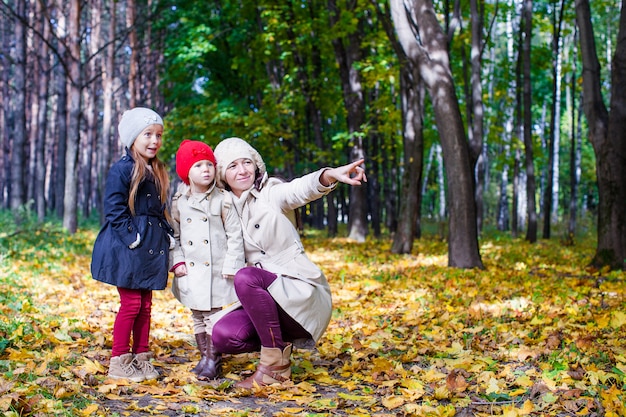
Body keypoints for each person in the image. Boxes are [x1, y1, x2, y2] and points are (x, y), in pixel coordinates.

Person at [210, 137, 366, 388]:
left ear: (256, 164)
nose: (242, 170)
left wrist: (328, 175)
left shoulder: (270, 192)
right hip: (263, 301)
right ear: (222, 175)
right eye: (233, 166)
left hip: (296, 290)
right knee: (224, 336)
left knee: (247, 276)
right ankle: (278, 346)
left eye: (247, 162)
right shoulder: (223, 208)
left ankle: (274, 368)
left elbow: (298, 189)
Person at [91, 107, 174, 383]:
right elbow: (114, 208)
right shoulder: (123, 169)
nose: (154, 141)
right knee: (131, 303)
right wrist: (132, 237)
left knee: (146, 305)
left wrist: (167, 232)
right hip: (127, 248)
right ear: (133, 138)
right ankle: (119, 359)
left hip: (149, 246)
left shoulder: (157, 170)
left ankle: (141, 355)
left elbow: (158, 210)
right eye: (147, 134)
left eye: (158, 135)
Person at [169, 139, 245, 380]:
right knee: (197, 315)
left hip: (215, 269)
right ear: (186, 173)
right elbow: (175, 235)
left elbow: (235, 234)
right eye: (198, 165)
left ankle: (214, 359)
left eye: (209, 164)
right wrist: (178, 261)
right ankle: (204, 356)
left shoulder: (223, 199)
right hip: (191, 271)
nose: (205, 170)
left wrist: (232, 264)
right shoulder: (179, 202)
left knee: (213, 315)